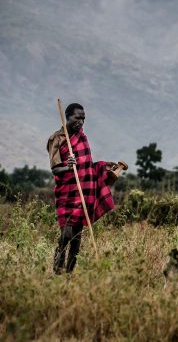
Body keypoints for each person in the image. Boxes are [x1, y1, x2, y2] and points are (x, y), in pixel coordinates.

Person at [47, 102, 117, 274]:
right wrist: (67, 166)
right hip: (67, 193)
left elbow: (86, 166)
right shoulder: (57, 139)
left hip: (82, 192)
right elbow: (55, 168)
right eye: (78, 118)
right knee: (66, 235)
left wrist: (102, 166)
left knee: (77, 238)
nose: (81, 122)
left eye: (83, 119)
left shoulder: (82, 138)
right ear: (68, 117)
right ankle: (57, 271)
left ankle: (69, 274)